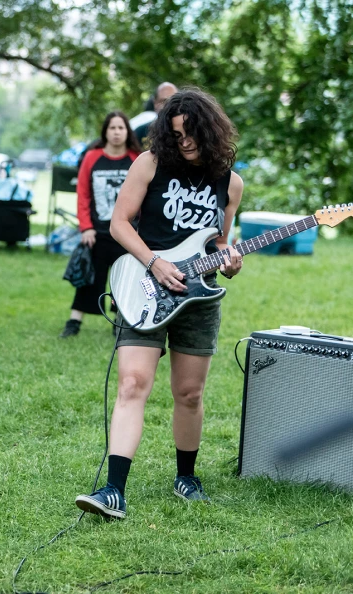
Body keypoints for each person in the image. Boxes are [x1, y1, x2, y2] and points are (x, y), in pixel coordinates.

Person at [74, 88, 244, 520]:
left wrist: (230, 260)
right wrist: (154, 262)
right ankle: (113, 490)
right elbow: (119, 223)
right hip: (143, 285)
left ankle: (186, 477)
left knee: (189, 392)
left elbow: (218, 242)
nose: (184, 142)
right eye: (177, 135)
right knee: (132, 384)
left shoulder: (230, 182)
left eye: (191, 134)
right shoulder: (149, 164)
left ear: (210, 131)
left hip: (198, 296)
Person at [60, 111, 141, 338]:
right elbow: (83, 194)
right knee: (89, 277)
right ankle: (74, 322)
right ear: (105, 132)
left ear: (127, 132)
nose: (116, 132)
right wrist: (86, 227)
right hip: (97, 231)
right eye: (112, 128)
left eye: (121, 128)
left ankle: (120, 321)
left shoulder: (137, 159)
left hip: (128, 232)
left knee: (124, 278)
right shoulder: (92, 157)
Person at [132, 82, 178, 148]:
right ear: (155, 103)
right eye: (164, 101)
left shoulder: (189, 129)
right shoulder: (140, 132)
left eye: (173, 100)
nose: (169, 105)